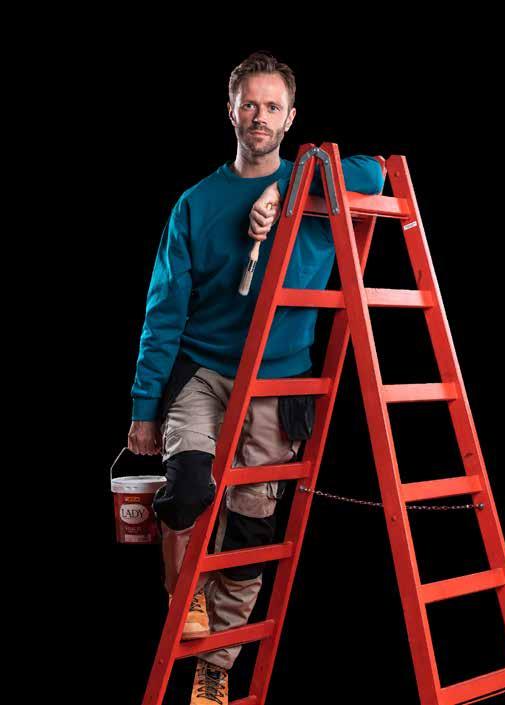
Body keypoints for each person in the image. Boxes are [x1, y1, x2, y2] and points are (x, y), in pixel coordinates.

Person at [127, 51, 384, 705]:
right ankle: (184, 598)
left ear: (291, 117)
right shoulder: (194, 204)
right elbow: (163, 311)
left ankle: (216, 667)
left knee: (249, 528)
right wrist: (144, 407)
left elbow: (377, 171)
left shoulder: (317, 187)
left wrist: (290, 188)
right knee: (188, 488)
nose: (260, 116)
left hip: (278, 385)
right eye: (249, 104)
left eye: (273, 106)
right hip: (204, 373)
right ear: (230, 110)